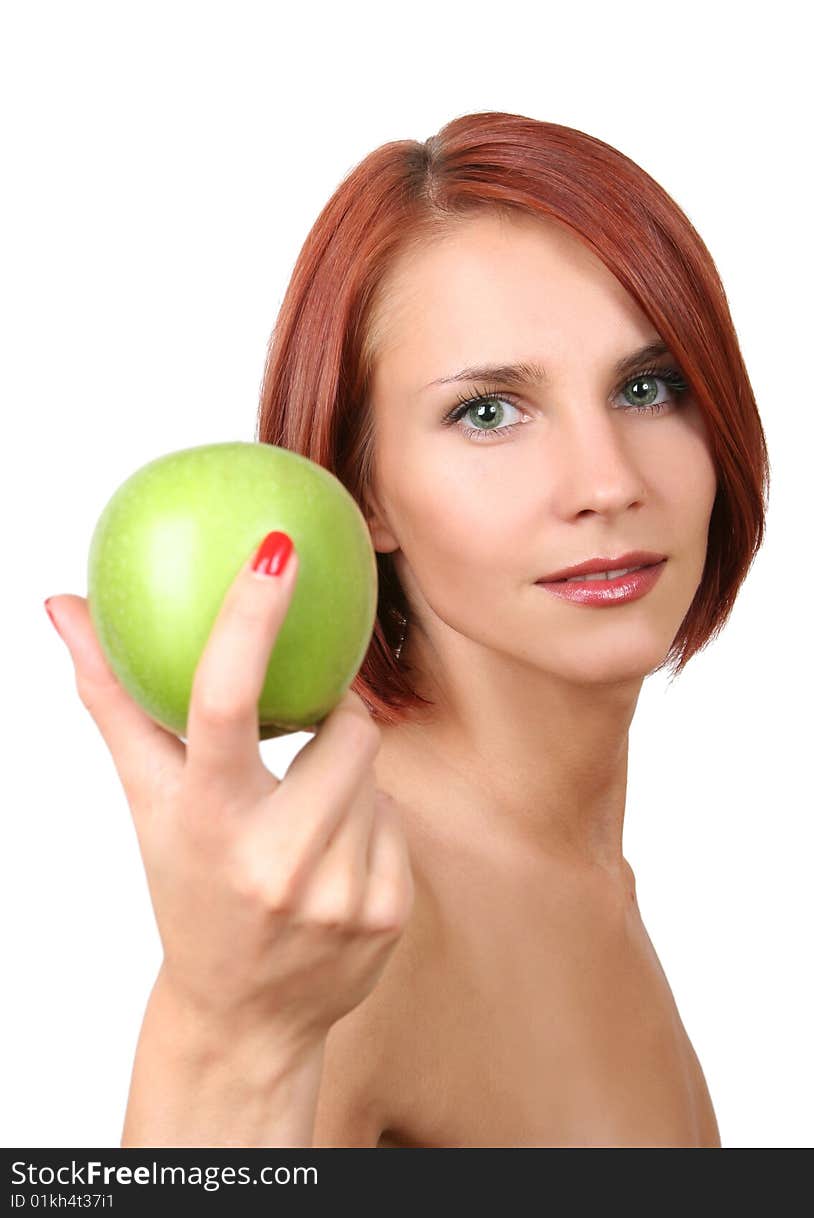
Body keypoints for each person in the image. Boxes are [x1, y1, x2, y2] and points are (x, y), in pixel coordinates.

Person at [45, 110, 770, 1148]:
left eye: (647, 387)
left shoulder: (578, 871)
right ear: (362, 495)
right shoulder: (361, 930)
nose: (608, 483)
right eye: (487, 412)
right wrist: (225, 1031)